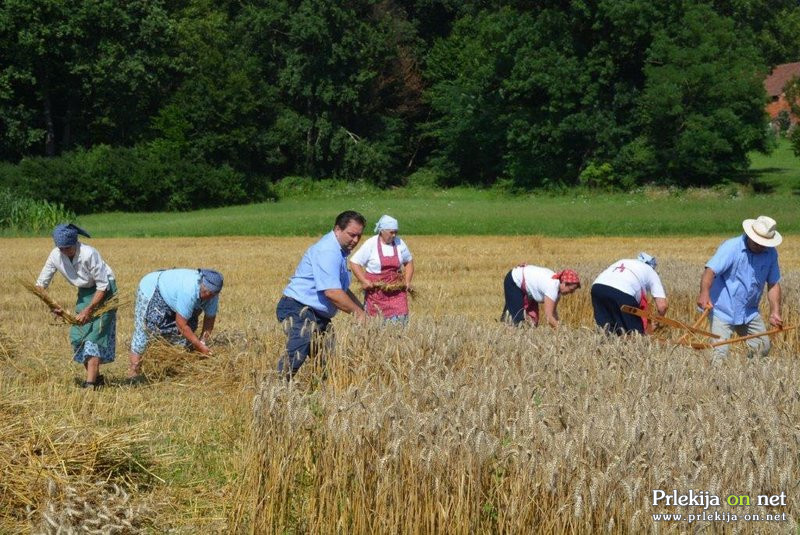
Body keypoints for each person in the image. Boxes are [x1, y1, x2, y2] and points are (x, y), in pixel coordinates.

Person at [276, 210, 367, 378]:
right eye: (351, 235)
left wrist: (363, 310)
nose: (355, 240)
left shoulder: (339, 251)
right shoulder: (328, 250)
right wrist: (358, 313)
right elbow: (332, 292)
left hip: (317, 314)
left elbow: (341, 289)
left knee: (328, 360)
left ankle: (322, 394)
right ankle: (275, 388)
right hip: (297, 307)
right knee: (302, 341)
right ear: (337, 229)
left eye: (359, 236)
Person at [35, 223, 118, 389]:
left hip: (105, 291)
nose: (64, 251)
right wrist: (52, 306)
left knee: (94, 337)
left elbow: (103, 286)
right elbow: (39, 286)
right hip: (85, 292)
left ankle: (90, 385)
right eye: (61, 248)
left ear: (75, 243)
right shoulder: (55, 255)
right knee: (79, 337)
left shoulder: (89, 254)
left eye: (68, 248)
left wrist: (89, 310)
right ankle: (97, 379)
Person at [697, 215, 782, 362]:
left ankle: (748, 380)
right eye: (756, 241)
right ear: (750, 234)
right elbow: (710, 270)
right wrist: (704, 294)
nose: (759, 245)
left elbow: (773, 283)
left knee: (762, 346)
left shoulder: (771, 253)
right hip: (722, 309)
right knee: (719, 355)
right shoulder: (731, 247)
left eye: (763, 243)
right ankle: (716, 383)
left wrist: (775, 311)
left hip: (749, 312)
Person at [128, 268, 223, 383]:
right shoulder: (189, 290)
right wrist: (198, 346)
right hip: (153, 289)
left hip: (175, 296)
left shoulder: (212, 295)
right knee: (144, 330)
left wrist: (203, 342)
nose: (209, 297)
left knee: (187, 333)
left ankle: (172, 368)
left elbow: (209, 320)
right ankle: (133, 373)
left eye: (212, 295)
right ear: (202, 286)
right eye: (206, 294)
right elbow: (181, 325)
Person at [349, 214, 414, 323]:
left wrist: (407, 281)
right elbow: (354, 262)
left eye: (396, 232)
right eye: (391, 232)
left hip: (396, 292)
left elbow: (409, 262)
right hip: (376, 293)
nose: (394, 235)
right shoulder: (371, 244)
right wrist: (364, 281)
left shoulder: (399, 243)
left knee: (400, 323)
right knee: (376, 324)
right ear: (382, 231)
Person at [591, 252, 668, 335]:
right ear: (652, 266)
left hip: (597, 288)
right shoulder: (650, 271)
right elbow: (662, 306)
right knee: (634, 335)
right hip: (624, 292)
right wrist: (657, 323)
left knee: (606, 331)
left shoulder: (623, 261)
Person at [501, 265, 581, 327]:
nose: (572, 293)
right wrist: (562, 331)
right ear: (564, 283)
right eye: (571, 289)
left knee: (532, 322)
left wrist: (557, 327)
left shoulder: (557, 290)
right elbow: (549, 317)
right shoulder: (552, 287)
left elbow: (553, 313)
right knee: (517, 321)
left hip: (526, 286)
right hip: (514, 281)